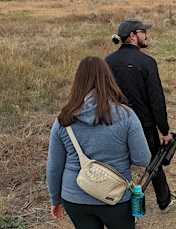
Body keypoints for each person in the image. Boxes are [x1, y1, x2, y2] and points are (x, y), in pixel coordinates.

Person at [47, 56, 152, 228]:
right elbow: (143, 159)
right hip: (115, 197)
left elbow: (53, 167)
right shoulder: (126, 115)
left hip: (75, 197)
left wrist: (55, 199)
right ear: (109, 79)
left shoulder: (63, 120)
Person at [105, 18, 176, 213]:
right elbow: (156, 99)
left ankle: (117, 203)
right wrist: (164, 130)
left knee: (118, 164)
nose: (147, 35)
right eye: (143, 32)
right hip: (143, 125)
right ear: (132, 36)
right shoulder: (147, 62)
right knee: (153, 163)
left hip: (114, 124)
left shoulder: (107, 62)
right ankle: (164, 200)